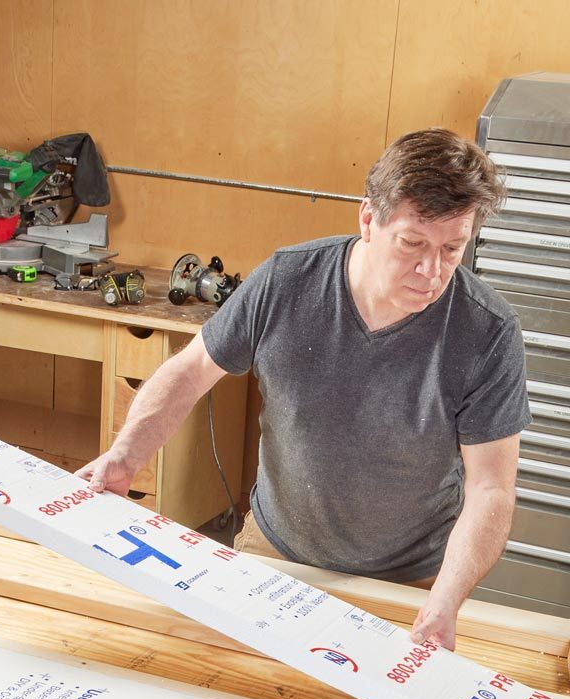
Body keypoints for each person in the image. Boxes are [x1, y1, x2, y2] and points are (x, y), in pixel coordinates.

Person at [80, 129, 529, 652]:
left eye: (453, 249)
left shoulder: (487, 332)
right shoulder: (287, 281)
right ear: (368, 218)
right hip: (275, 550)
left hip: (413, 581)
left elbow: (491, 488)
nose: (432, 272)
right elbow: (191, 369)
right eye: (412, 244)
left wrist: (445, 602)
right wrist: (125, 455)